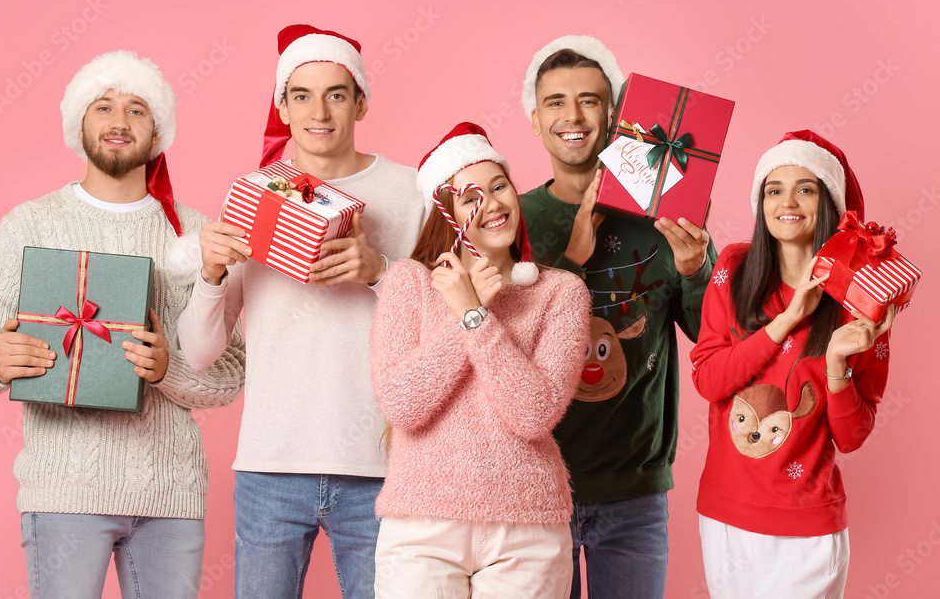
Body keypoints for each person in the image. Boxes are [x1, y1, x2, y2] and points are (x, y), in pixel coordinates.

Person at [0, 50, 247, 599]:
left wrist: (168, 370)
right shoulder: (29, 223)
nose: (118, 121)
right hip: (63, 492)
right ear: (78, 123)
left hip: (169, 499)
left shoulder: (196, 233)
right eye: (103, 106)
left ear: (157, 129)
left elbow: (231, 372)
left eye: (137, 109)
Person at [177, 24, 427, 598]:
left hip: (383, 469)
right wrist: (210, 274)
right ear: (282, 108)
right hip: (270, 465)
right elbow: (199, 352)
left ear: (361, 101)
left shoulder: (410, 190)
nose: (320, 111)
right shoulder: (254, 193)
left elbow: (442, 332)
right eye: (301, 95)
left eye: (336, 93)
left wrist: (379, 272)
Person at [518, 35, 717, 597]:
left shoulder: (669, 217)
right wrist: (571, 254)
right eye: (556, 102)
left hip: (634, 494)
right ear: (536, 120)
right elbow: (500, 347)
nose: (573, 116)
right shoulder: (516, 219)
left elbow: (715, 337)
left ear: (615, 116)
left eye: (590, 99)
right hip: (532, 489)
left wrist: (697, 269)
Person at [370, 122, 590, 598]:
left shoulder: (560, 293)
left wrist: (475, 314)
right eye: (471, 197)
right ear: (447, 215)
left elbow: (534, 415)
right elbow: (402, 406)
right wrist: (464, 311)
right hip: (421, 525)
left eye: (499, 187)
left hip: (526, 527)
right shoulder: (409, 283)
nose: (491, 204)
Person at [690, 130, 893, 597]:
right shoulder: (734, 268)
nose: (788, 201)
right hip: (724, 518)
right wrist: (785, 321)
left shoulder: (862, 297)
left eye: (806, 189)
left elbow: (852, 435)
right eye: (774, 189)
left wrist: (838, 365)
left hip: (806, 531)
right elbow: (709, 380)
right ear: (761, 203)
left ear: (829, 204)